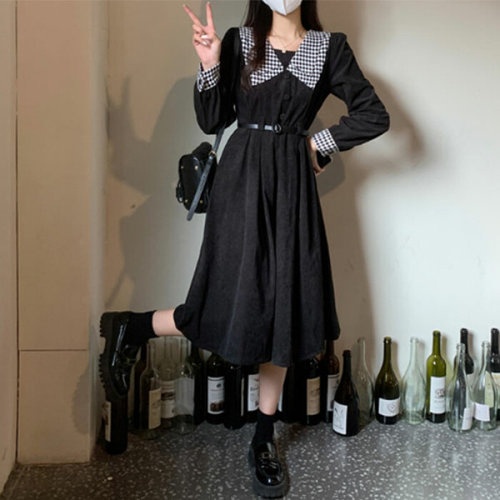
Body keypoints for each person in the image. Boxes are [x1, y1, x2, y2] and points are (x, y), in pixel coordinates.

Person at [99, 0, 390, 497]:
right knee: (226, 296)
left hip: (292, 188)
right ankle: (136, 326)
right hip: (241, 180)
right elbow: (212, 117)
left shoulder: (329, 48)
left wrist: (318, 145)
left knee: (284, 307)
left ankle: (262, 438)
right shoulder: (240, 41)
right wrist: (210, 63)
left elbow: (373, 114)